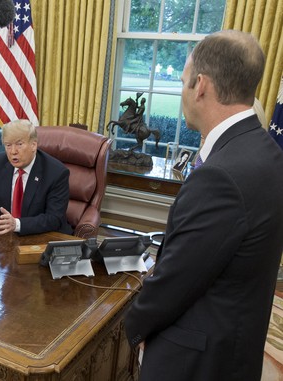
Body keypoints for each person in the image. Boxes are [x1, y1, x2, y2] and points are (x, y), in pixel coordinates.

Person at [124, 30, 283, 381]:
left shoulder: (220, 176)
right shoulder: (267, 150)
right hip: (236, 346)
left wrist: (131, 329)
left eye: (183, 82)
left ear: (200, 86)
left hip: (194, 362)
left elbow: (175, 282)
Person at [0, 119, 72, 236]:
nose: (13, 151)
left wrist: (17, 224)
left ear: (33, 145)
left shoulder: (56, 172)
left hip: (43, 237)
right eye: (8, 145)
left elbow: (54, 218)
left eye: (19, 144)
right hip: (5, 237)